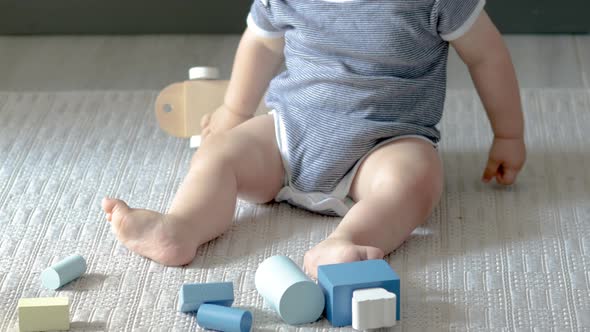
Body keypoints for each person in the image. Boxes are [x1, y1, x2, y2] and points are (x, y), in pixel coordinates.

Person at [102, 0, 526, 278]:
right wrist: (235, 112)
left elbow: (486, 55)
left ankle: (345, 242)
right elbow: (261, 46)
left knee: (418, 178)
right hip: (290, 132)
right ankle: (182, 227)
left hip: (386, 142)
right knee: (221, 155)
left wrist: (508, 134)